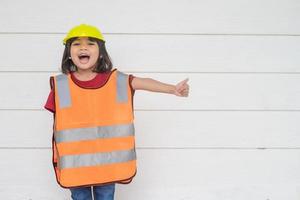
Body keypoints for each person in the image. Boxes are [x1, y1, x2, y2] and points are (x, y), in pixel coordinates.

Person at [44, 24, 189, 200]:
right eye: (76, 44)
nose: (83, 47)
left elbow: (143, 82)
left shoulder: (118, 81)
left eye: (90, 43)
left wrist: (172, 89)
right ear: (68, 52)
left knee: (106, 197)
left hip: (108, 166)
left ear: (101, 52)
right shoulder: (61, 86)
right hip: (77, 169)